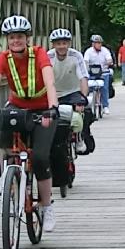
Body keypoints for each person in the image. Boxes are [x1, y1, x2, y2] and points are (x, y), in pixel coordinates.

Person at [0, 14, 61, 231]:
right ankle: (6, 173)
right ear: (7, 39)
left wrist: (53, 108)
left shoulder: (39, 54)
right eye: (12, 37)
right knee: (4, 124)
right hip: (18, 106)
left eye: (20, 37)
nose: (16, 41)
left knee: (40, 157)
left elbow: (49, 81)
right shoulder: (3, 58)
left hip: (43, 108)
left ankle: (46, 205)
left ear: (27, 38)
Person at [45, 28, 91, 175]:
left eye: (64, 43)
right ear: (53, 45)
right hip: (54, 93)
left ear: (69, 43)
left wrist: (83, 99)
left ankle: (79, 137)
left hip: (72, 92)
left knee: (81, 114)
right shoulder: (48, 57)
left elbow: (83, 77)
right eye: (58, 43)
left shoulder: (76, 56)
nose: (61, 46)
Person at [83, 34, 115, 114]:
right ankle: (87, 103)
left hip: (103, 72)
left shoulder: (105, 50)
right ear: (93, 44)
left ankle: (105, 106)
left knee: (104, 88)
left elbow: (109, 60)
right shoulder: (88, 51)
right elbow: (85, 61)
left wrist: (107, 63)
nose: (99, 44)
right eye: (97, 43)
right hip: (92, 73)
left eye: (100, 43)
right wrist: (86, 68)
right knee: (87, 87)